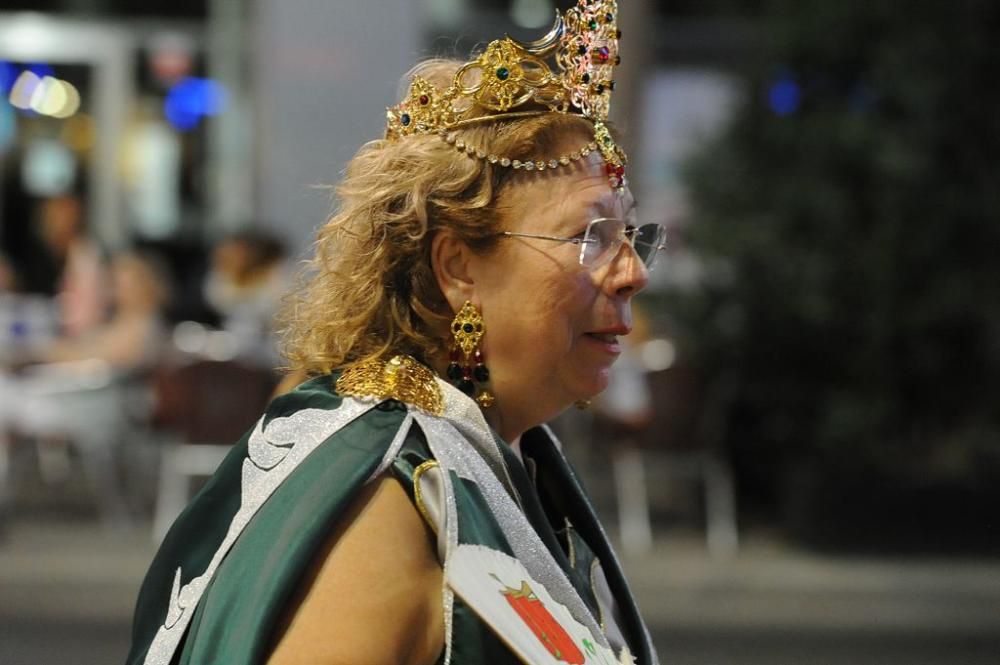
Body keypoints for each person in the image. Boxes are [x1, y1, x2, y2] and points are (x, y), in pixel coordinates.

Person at [127, 2, 666, 663]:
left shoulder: (497, 450)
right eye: (591, 235)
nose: (632, 271)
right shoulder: (384, 504)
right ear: (458, 267)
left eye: (632, 235)